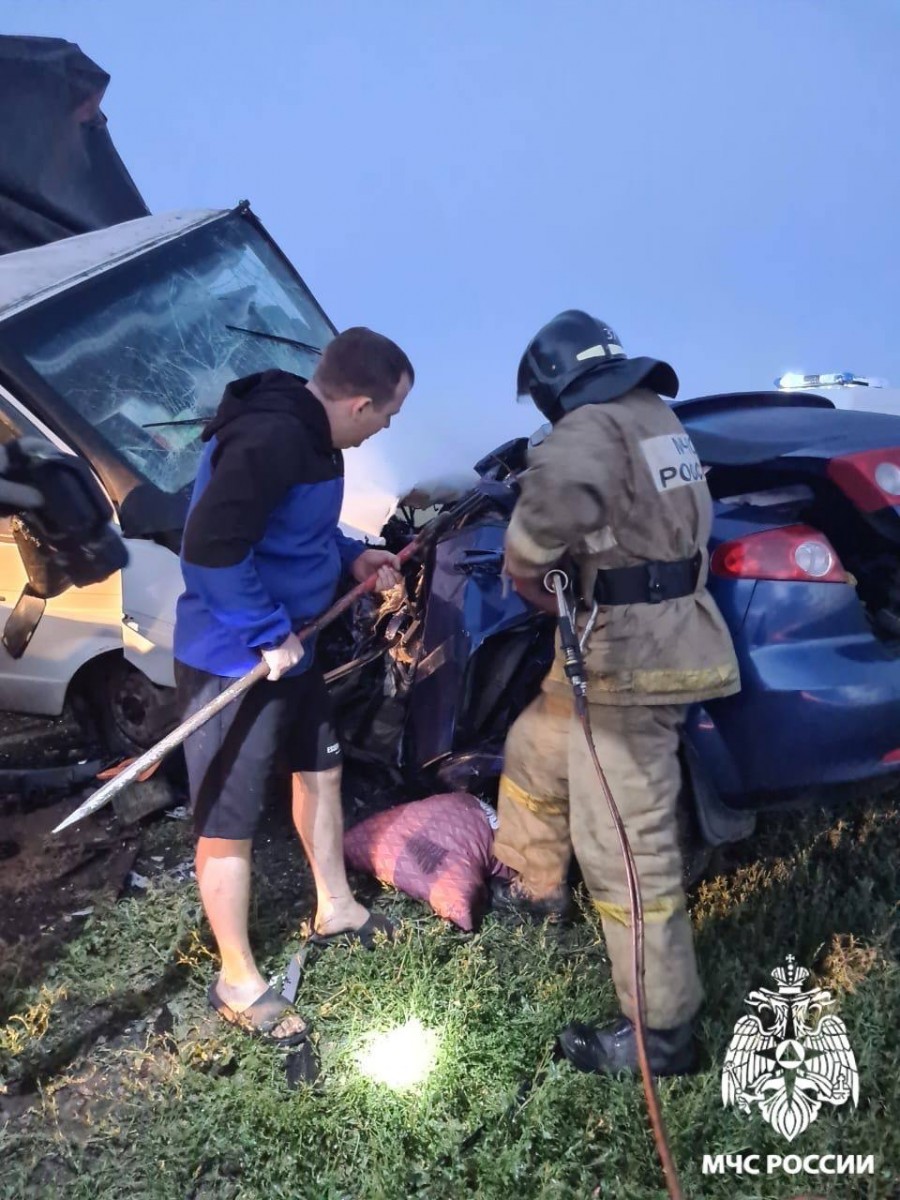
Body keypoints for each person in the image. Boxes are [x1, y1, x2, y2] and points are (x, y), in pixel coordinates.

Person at [490, 310, 740, 1076]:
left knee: (626, 848)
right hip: (650, 635)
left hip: (634, 659)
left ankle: (660, 1036)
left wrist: (525, 566)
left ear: (551, 387)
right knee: (535, 746)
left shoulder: (586, 431)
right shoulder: (650, 413)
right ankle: (530, 887)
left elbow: (542, 525)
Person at [173, 327, 414, 1044]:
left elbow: (298, 532)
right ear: (362, 403)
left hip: (295, 649)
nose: (387, 430)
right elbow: (209, 547)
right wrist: (261, 627)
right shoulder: (271, 438)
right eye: (389, 416)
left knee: (322, 773)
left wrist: (353, 558)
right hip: (234, 659)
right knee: (228, 818)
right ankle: (238, 981)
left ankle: (334, 906)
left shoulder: (316, 438)